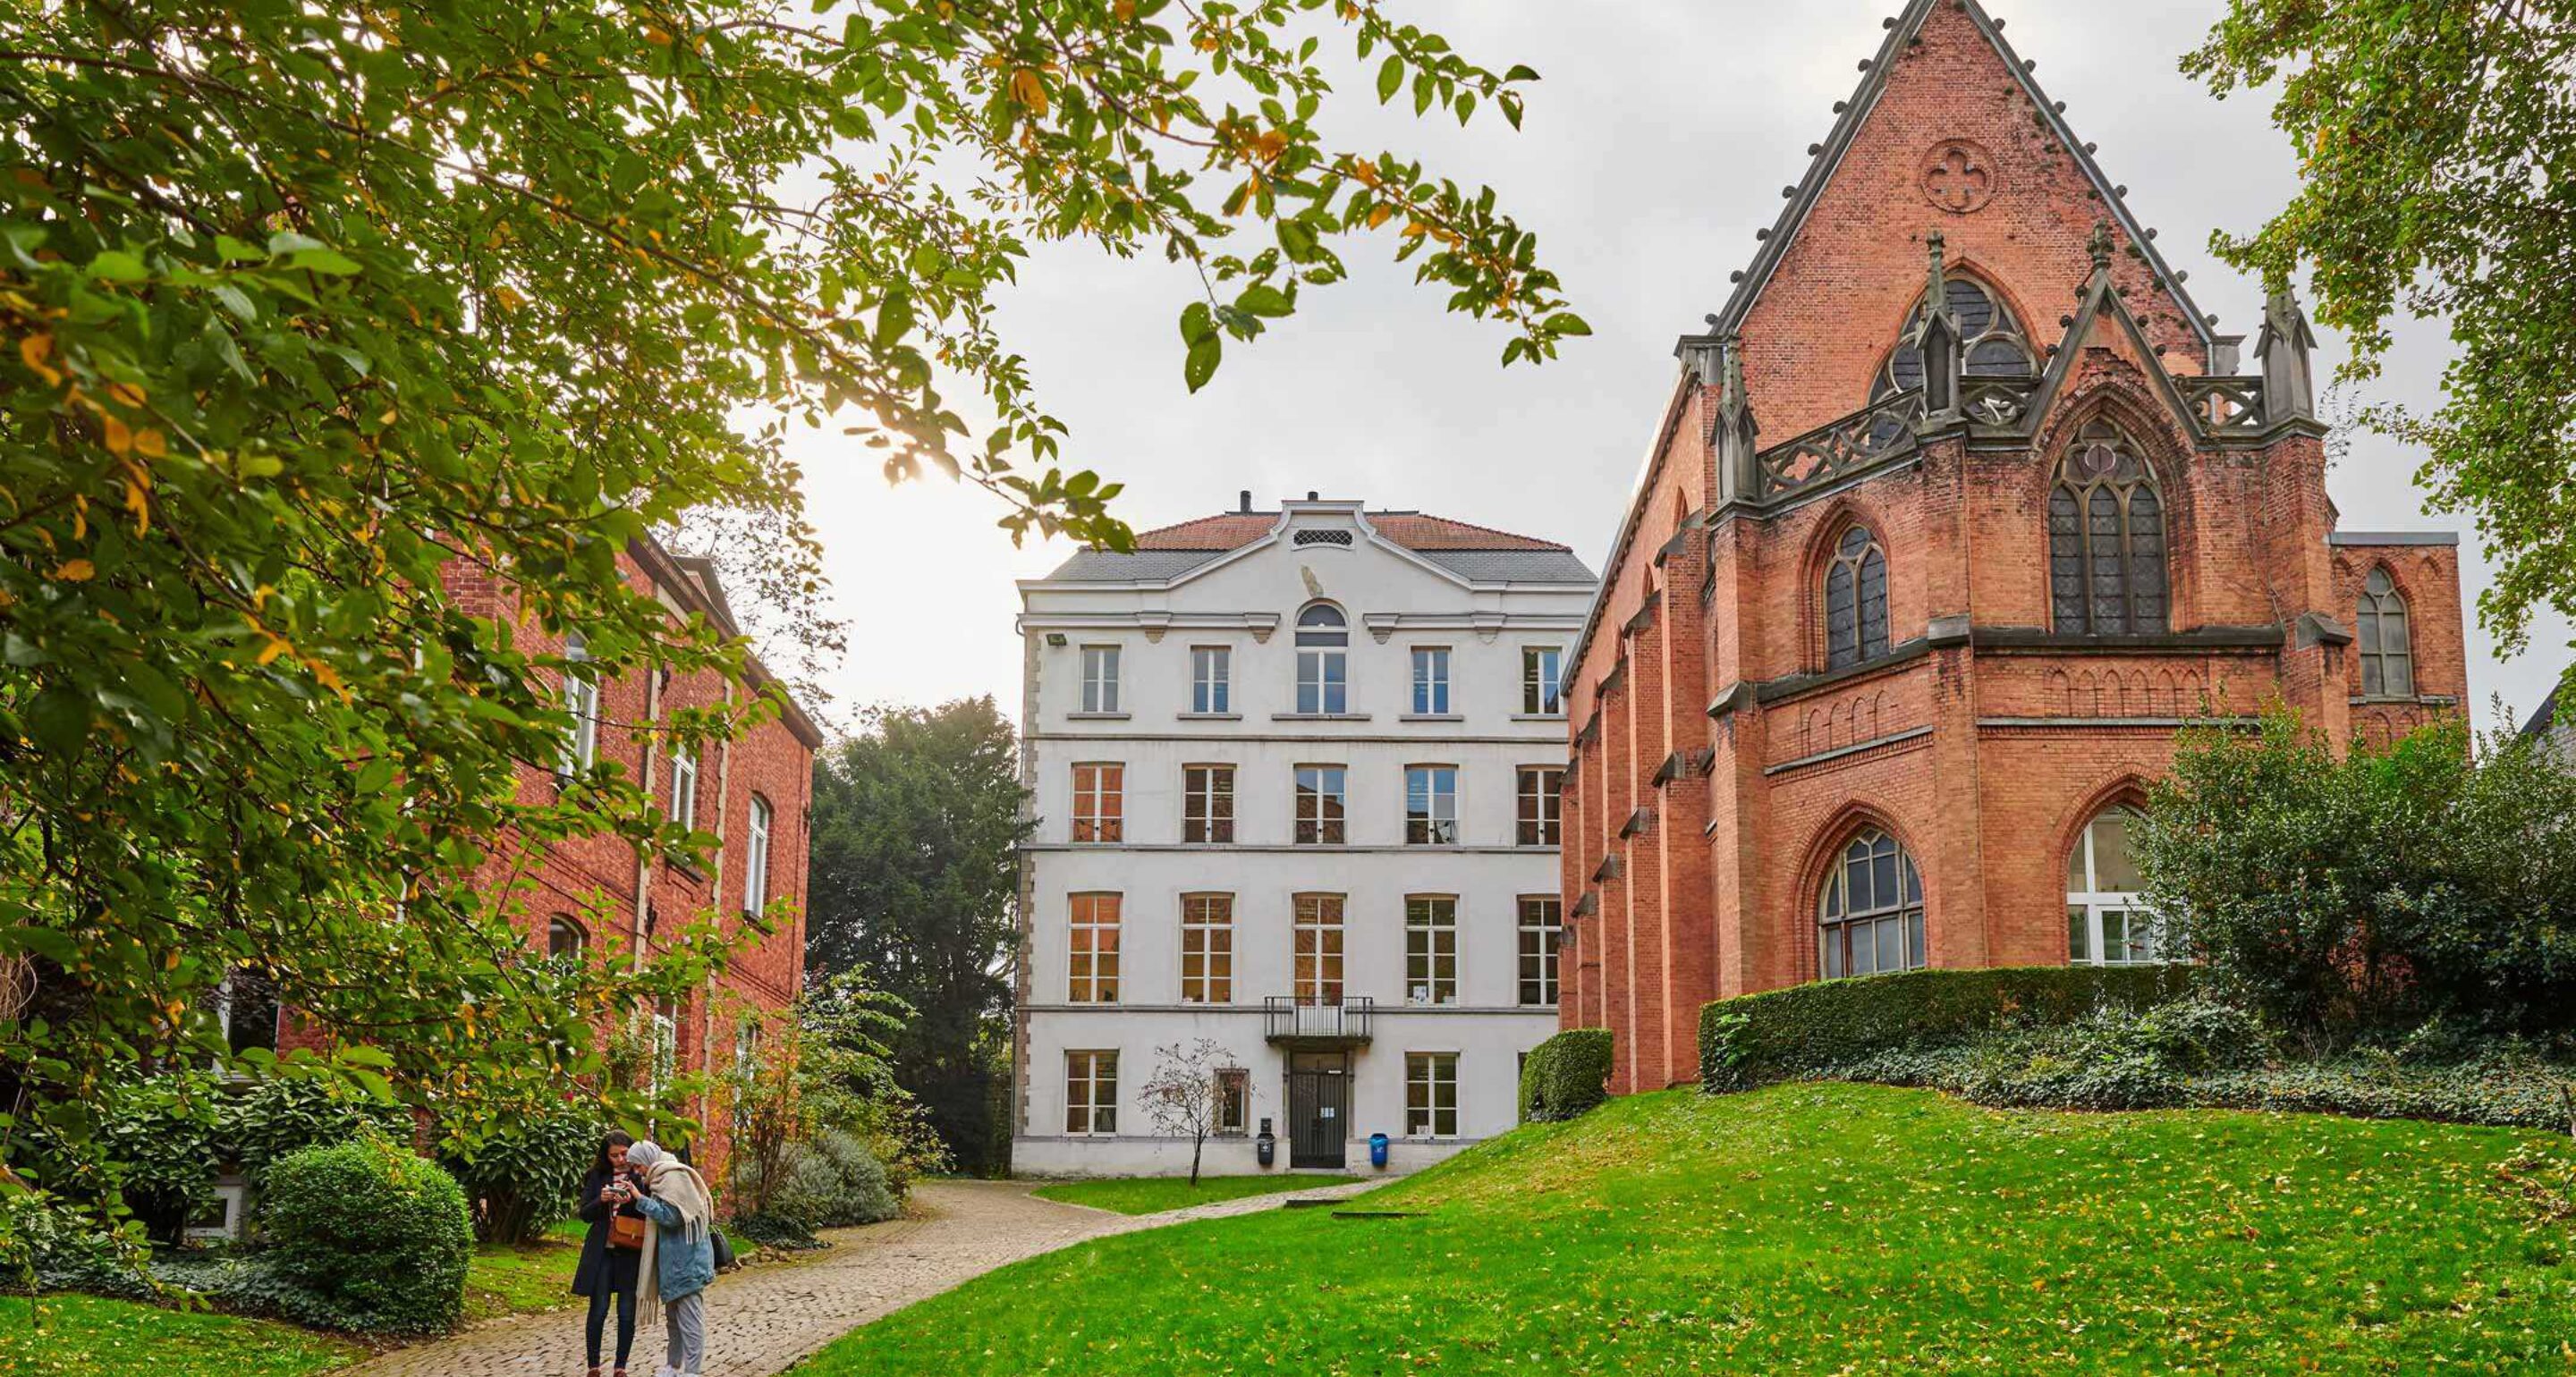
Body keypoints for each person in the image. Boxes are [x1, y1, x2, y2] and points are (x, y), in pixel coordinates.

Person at [623, 1138, 716, 1377]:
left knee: (690, 1321)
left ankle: (692, 1371)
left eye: (637, 1165)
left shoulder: (673, 1177)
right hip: (673, 1263)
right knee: (673, 1320)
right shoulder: (659, 1178)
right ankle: (673, 1366)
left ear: (646, 1160)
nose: (637, 1171)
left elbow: (673, 1217)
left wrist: (640, 1199)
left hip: (687, 1262)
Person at [571, 1129, 649, 1377]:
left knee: (626, 1311)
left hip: (630, 1249)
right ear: (606, 1156)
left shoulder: (641, 1174)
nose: (621, 1159)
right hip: (602, 1250)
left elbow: (651, 1212)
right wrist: (602, 1200)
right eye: (614, 1155)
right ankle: (594, 1366)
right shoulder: (597, 1176)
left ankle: (620, 1367)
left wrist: (633, 1199)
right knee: (599, 1308)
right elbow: (584, 1213)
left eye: (625, 1154)